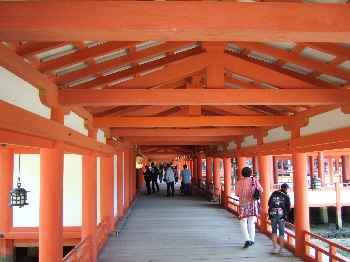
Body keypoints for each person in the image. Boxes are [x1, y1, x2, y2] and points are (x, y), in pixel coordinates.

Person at [235, 166, 263, 249]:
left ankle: (247, 239)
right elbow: (261, 190)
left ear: (242, 174)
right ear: (250, 173)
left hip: (243, 204)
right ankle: (252, 239)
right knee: (251, 222)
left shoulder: (239, 182)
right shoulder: (254, 180)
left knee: (243, 221)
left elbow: (237, 194)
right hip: (253, 204)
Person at [268, 183, 291, 254]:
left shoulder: (274, 194)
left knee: (274, 231)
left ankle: (275, 248)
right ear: (286, 188)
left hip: (273, 215)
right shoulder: (286, 196)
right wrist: (286, 215)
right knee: (281, 232)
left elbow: (269, 203)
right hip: (281, 216)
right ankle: (281, 248)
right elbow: (288, 207)